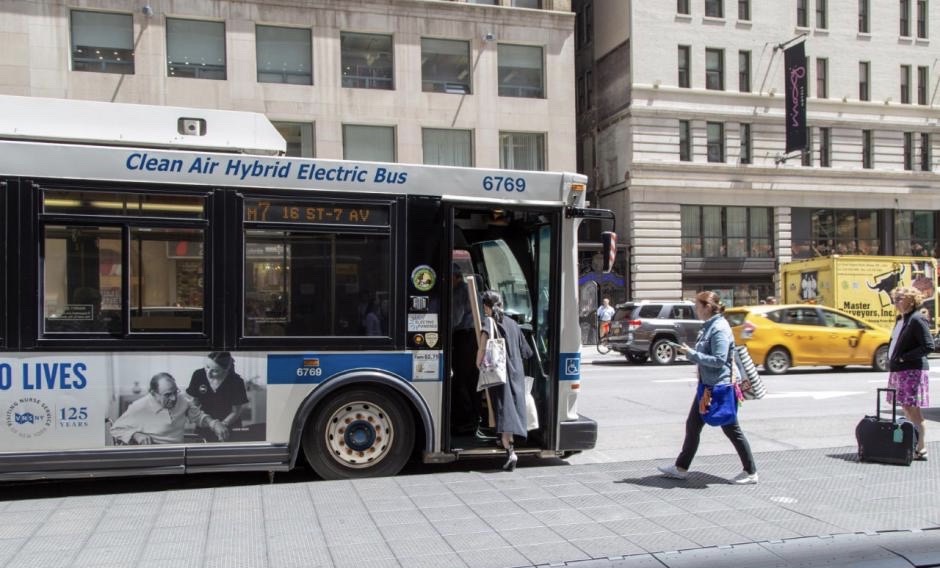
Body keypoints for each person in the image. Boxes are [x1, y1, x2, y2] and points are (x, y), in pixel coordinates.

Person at [657, 291, 759, 484]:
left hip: (719, 388)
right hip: (707, 387)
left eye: (698, 306)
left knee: (731, 429)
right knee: (693, 425)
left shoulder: (719, 328)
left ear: (707, 307)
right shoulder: (710, 326)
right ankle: (681, 468)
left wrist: (692, 354)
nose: (696, 310)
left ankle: (751, 471)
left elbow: (719, 360)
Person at [477, 290, 533, 471]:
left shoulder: (490, 322)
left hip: (499, 373)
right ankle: (511, 448)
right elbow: (527, 352)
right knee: (512, 409)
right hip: (516, 372)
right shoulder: (513, 324)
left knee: (502, 410)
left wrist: (478, 364)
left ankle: (510, 451)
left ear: (487, 307)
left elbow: (482, 348)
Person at [111, 373, 229, 444]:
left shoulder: (181, 399)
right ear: (153, 393)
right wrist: (136, 435)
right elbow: (115, 429)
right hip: (152, 458)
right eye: (167, 395)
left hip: (178, 455)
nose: (173, 398)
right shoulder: (139, 407)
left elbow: (199, 416)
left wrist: (214, 423)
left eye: (175, 392)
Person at [887, 286, 934, 461]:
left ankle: (921, 449)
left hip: (912, 370)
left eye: (900, 298)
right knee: (906, 409)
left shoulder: (917, 319)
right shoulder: (902, 319)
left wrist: (903, 358)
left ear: (911, 300)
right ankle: (911, 445)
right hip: (900, 370)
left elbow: (928, 346)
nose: (896, 302)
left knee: (914, 411)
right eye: (895, 298)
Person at [186, 352, 249, 441]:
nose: (208, 373)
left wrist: (222, 425)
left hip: (229, 426)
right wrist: (193, 415)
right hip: (205, 423)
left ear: (226, 370)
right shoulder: (198, 375)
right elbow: (194, 403)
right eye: (207, 367)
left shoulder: (236, 381)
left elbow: (236, 411)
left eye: (215, 371)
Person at [451, 264, 481, 435]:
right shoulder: (466, 289)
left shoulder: (459, 291)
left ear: (455, 277)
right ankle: (473, 418)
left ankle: (465, 419)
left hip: (465, 337)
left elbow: (455, 319)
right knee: (471, 380)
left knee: (459, 380)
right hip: (473, 338)